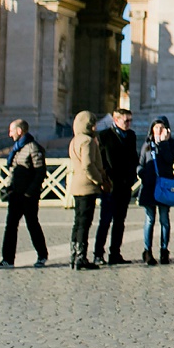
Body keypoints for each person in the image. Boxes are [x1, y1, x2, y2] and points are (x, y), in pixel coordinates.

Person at [0, 120, 49, 269]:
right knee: (11, 226)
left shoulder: (33, 147)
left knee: (32, 225)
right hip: (15, 193)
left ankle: (42, 255)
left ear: (19, 131)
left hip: (28, 195)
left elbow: (40, 172)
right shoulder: (17, 148)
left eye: (11, 130)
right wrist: (8, 187)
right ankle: (7, 259)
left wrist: (29, 192)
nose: (9, 134)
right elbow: (13, 170)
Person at [67, 110, 110, 271]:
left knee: (77, 222)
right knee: (85, 222)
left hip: (76, 185)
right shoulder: (87, 141)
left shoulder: (74, 140)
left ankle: (74, 255)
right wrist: (99, 180)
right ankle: (81, 257)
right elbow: (88, 165)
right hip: (87, 186)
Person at [94, 109, 139, 264]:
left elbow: (134, 156)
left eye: (130, 120)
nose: (128, 124)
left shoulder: (131, 136)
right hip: (111, 184)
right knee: (105, 221)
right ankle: (98, 253)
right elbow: (100, 160)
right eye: (126, 120)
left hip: (125, 185)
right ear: (116, 119)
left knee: (120, 221)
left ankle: (115, 253)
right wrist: (105, 179)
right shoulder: (103, 136)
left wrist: (133, 176)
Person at [138, 116, 174, 265]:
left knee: (164, 220)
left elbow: (169, 160)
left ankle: (164, 250)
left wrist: (163, 143)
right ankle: (147, 251)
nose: (158, 130)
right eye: (156, 128)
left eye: (162, 128)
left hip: (164, 187)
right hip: (149, 187)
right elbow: (140, 164)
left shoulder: (173, 144)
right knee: (149, 220)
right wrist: (142, 174)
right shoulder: (146, 145)